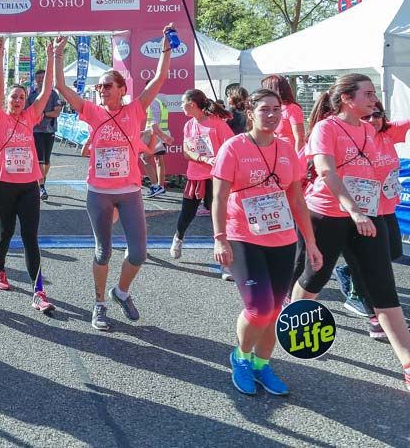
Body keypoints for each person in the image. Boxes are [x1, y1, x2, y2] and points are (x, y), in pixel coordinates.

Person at [52, 26, 175, 331]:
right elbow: (61, 87)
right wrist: (56, 54)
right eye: (100, 87)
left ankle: (120, 292)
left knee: (138, 253)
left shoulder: (136, 109)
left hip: (129, 190)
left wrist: (166, 48)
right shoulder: (92, 112)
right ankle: (99, 304)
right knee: (102, 251)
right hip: (99, 191)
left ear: (122, 89)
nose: (103, 90)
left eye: (108, 86)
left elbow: (159, 79)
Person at [293, 73, 410, 390]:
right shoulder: (326, 128)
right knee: (314, 278)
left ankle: (408, 363)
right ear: (347, 98)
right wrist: (354, 209)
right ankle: (293, 324)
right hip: (327, 215)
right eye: (368, 94)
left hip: (366, 216)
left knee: (383, 287)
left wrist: (367, 209)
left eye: (374, 94)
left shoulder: (370, 132)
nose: (374, 99)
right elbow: (327, 171)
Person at [211, 89, 323, 396]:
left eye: (277, 109)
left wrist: (311, 244)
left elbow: (297, 198)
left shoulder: (286, 149)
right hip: (243, 236)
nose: (272, 115)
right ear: (250, 112)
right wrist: (220, 239)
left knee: (274, 310)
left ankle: (262, 364)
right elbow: (219, 197)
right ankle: (241, 357)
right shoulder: (233, 148)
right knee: (259, 308)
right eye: (265, 110)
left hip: (283, 238)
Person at [0, 40, 57, 312]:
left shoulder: (30, 117)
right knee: (6, 230)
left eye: (20, 97)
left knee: (30, 236)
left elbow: (47, 89)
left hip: (29, 185)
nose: (16, 100)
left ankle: (39, 292)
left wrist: (52, 56)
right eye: (12, 97)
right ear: (5, 102)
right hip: (2, 185)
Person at [333, 103, 410, 337]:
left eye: (377, 114)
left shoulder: (389, 132)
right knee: (369, 263)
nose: (373, 119)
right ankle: (374, 316)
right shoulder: (347, 136)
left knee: (393, 252)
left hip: (385, 208)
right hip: (358, 211)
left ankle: (348, 272)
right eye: (366, 116)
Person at [169, 90, 234, 277]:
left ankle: (225, 262)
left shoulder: (217, 124)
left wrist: (220, 160)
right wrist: (204, 159)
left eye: (183, 102)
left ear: (192, 104)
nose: (181, 106)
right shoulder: (189, 125)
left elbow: (232, 146)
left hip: (217, 177)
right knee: (187, 213)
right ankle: (178, 237)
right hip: (196, 176)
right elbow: (186, 152)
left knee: (220, 218)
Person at [26, 68, 64, 201]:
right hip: (35, 131)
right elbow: (27, 114)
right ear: (35, 80)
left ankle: (42, 180)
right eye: (39, 78)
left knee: (46, 161)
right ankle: (41, 186)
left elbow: (56, 113)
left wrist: (42, 114)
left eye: (43, 77)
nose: (41, 80)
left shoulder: (53, 94)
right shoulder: (31, 95)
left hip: (49, 130)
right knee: (39, 160)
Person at [261, 75, 305, 154]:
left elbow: (300, 138)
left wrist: (297, 160)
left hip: (289, 153)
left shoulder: (293, 109)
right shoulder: (274, 109)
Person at [141, 96, 174, 197]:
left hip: (154, 134)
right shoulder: (162, 100)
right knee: (159, 160)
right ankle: (160, 186)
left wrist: (156, 134)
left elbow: (155, 123)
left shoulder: (153, 101)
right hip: (161, 133)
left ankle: (156, 186)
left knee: (144, 158)